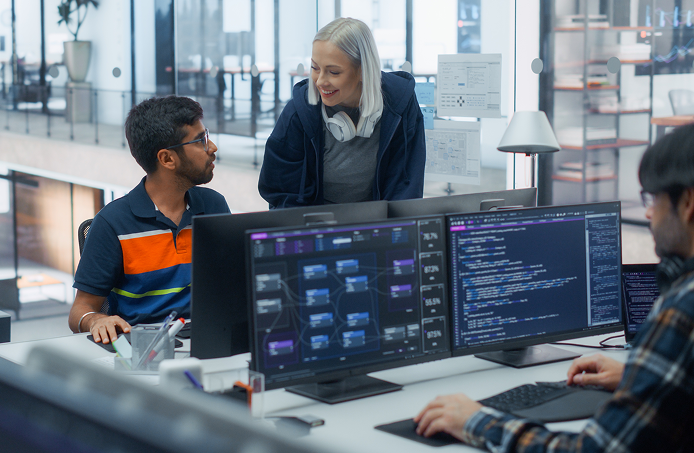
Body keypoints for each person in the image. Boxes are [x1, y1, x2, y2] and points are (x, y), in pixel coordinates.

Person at [414, 123, 694, 452]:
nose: (648, 212)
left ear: (687, 202)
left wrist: (475, 421)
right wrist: (642, 377)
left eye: (654, 198)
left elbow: (593, 450)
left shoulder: (681, 310)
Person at [69, 96, 230, 343]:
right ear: (167, 159)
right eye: (201, 141)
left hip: (208, 340)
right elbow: (80, 311)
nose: (212, 148)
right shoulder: (112, 223)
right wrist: (96, 320)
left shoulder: (213, 205)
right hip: (142, 349)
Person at [258, 17, 426, 208]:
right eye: (315, 68)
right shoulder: (299, 111)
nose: (320, 81)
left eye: (334, 72)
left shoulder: (400, 104)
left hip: (379, 222)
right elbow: (280, 192)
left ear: (363, 70)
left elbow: (406, 187)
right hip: (313, 223)